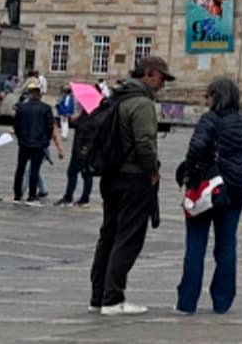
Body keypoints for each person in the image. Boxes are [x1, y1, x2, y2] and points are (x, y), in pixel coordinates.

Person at [175, 78, 242, 314]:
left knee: (196, 244)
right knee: (226, 245)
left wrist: (189, 172)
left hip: (207, 187)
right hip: (235, 191)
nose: (206, 100)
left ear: (216, 96)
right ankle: (222, 301)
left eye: (208, 95)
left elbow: (196, 149)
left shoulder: (210, 119)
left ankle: (188, 301)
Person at [90, 55, 172, 316]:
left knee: (109, 235)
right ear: (148, 74)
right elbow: (145, 143)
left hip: (111, 175)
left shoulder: (118, 97)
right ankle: (113, 298)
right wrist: (152, 171)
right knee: (128, 237)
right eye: (161, 77)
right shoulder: (142, 103)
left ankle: (98, 296)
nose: (162, 84)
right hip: (133, 177)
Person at [13, 81, 63, 206]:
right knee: (34, 170)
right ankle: (31, 196)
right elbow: (50, 127)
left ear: (29, 94)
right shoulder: (46, 108)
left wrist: (20, 139)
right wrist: (45, 141)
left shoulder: (21, 108)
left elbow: (16, 126)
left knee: (20, 169)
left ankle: (17, 195)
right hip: (39, 144)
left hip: (24, 143)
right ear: (40, 95)